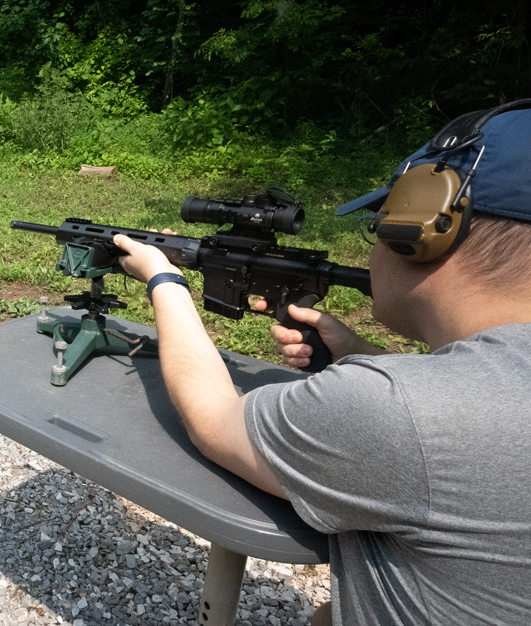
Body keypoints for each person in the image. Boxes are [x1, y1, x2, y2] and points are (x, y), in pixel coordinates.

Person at [111, 103, 531, 625]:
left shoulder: (396, 411)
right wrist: (363, 357)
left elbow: (212, 419)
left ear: (419, 231)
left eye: (378, 224)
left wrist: (163, 279)